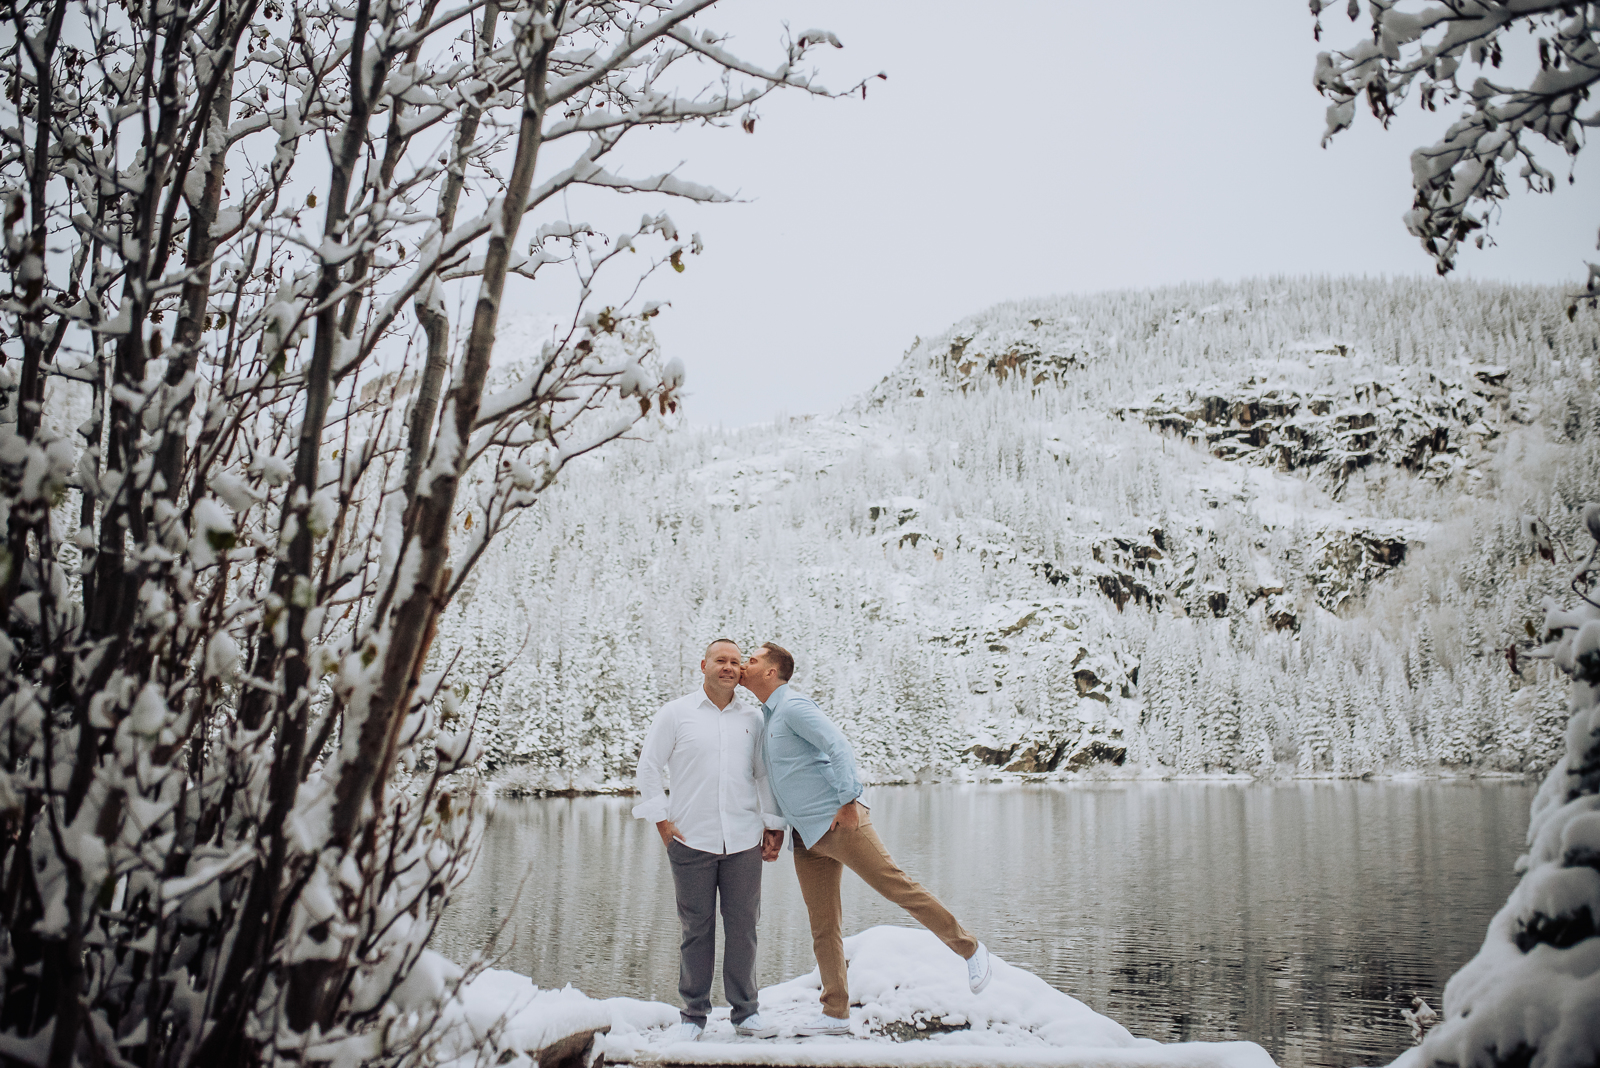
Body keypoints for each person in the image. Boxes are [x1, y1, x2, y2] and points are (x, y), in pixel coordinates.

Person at [741, 641, 992, 1037]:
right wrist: (775, 827)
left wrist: (848, 799)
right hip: (806, 836)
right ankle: (835, 1013)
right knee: (823, 925)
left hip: (840, 823)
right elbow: (778, 779)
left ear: (771, 672)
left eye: (751, 659)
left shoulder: (794, 707)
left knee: (897, 887)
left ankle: (970, 949)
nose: (744, 663)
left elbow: (837, 745)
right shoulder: (767, 716)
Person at [633, 639, 787, 1043]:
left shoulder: (753, 718)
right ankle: (693, 1016)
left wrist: (773, 824)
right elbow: (648, 768)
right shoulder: (676, 714)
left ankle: (746, 1014)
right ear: (703, 664)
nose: (730, 667)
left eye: (737, 662)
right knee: (696, 930)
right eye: (721, 660)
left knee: (744, 929)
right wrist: (662, 823)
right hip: (690, 840)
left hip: (743, 840)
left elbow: (763, 775)